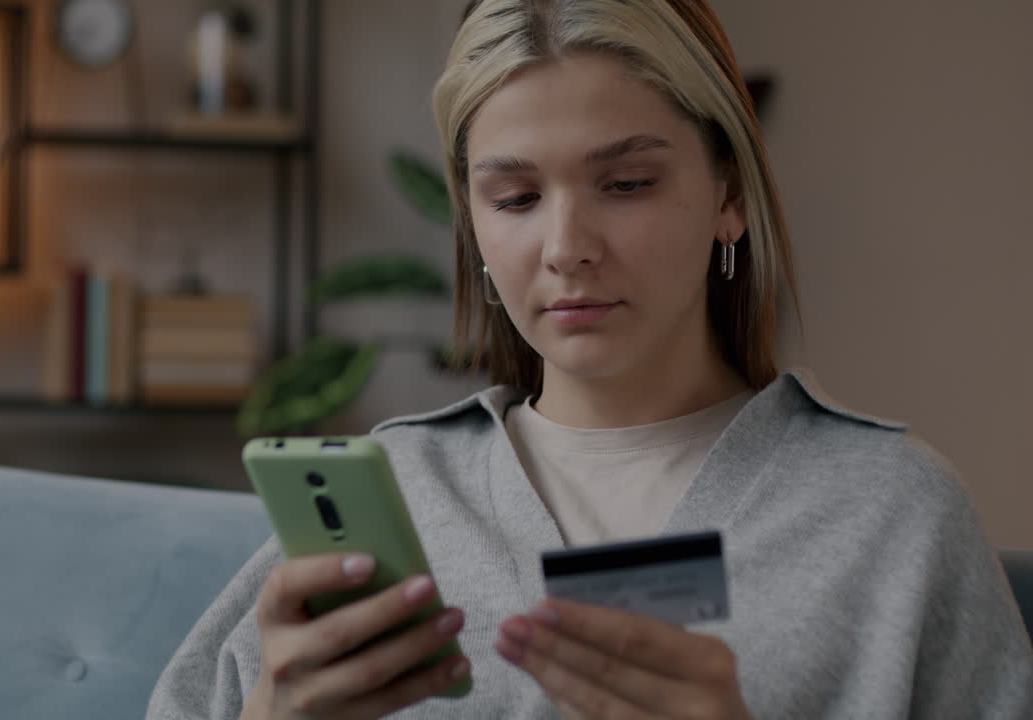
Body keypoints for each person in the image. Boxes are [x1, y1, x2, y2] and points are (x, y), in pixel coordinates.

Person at [147, 0, 1033, 717]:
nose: (566, 245)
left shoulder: (892, 514)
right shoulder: (398, 488)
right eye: (516, 196)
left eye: (627, 184)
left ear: (729, 193)